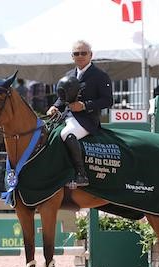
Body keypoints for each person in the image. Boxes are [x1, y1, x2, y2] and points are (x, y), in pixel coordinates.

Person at [47, 40, 113, 187]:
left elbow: (108, 101)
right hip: (67, 116)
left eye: (84, 53)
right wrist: (55, 106)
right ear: (72, 56)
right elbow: (62, 97)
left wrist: (84, 105)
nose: (80, 56)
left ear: (91, 55)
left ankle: (81, 175)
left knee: (66, 135)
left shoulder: (100, 75)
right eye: (77, 53)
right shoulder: (69, 74)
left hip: (87, 120)